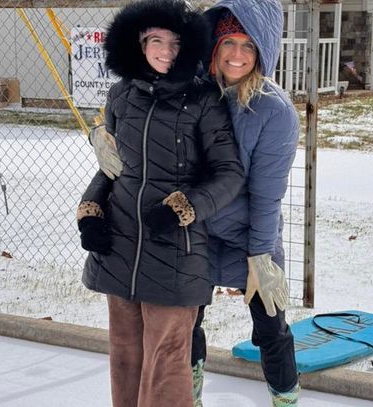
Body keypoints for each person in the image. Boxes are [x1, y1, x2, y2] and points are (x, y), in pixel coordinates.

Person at [76, 0, 244, 406]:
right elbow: (113, 167)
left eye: (175, 42)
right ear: (139, 43)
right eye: (156, 41)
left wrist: (182, 208)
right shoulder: (121, 95)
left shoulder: (204, 99)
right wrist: (90, 210)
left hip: (175, 250)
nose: (166, 51)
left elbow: (229, 174)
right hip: (120, 245)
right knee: (125, 354)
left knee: (166, 360)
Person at [190, 1, 301, 406]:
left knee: (271, 327)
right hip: (197, 230)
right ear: (214, 47)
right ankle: (188, 395)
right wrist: (104, 133)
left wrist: (260, 258)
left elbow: (267, 196)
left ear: (262, 50)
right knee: (184, 323)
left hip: (250, 235)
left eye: (248, 45)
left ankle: (285, 398)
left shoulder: (275, 110)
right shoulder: (194, 93)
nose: (237, 54)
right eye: (228, 42)